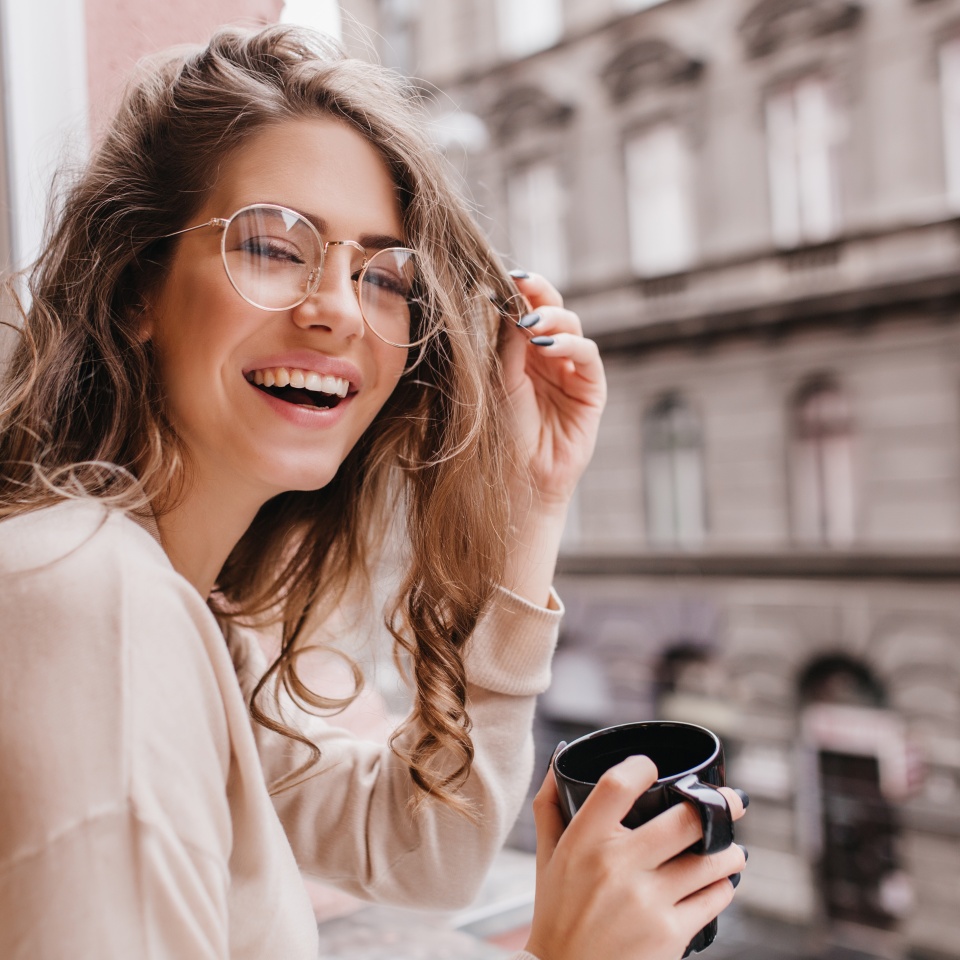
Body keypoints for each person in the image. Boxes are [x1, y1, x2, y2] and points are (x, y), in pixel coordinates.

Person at [0, 24, 746, 960]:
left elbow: (425, 850)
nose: (340, 310)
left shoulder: (181, 614)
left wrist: (531, 497)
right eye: (272, 247)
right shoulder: (89, 602)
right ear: (134, 289)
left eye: (384, 275)